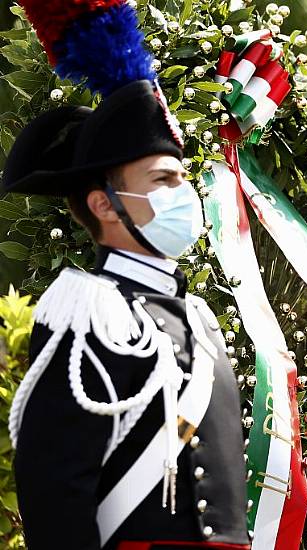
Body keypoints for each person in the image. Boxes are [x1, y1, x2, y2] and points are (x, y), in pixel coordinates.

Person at [1, 80, 251, 549]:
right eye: (162, 180)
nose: (185, 193)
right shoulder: (90, 314)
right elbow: (56, 495)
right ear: (104, 205)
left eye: (182, 178)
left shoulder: (197, 317)